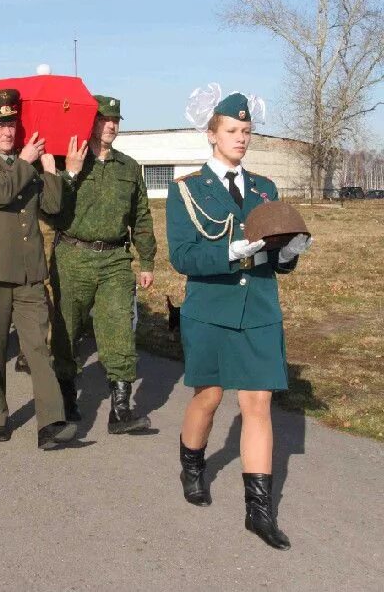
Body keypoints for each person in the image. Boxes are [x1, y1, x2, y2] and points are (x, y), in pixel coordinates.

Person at [167, 90, 312, 550]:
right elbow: (182, 256)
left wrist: (288, 255)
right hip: (210, 308)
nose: (241, 138)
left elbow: (275, 252)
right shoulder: (187, 189)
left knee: (257, 405)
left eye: (246, 131)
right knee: (208, 398)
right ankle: (193, 465)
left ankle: (259, 511)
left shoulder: (265, 189)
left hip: (260, 310)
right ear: (212, 135)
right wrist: (232, 252)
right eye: (232, 130)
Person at [0, 88, 77, 449]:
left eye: (11, 124)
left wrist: (52, 171)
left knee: (37, 349)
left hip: (29, 272)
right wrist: (28, 162)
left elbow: (54, 208)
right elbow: (1, 195)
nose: (7, 131)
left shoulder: (27, 163)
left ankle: (51, 423)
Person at [49, 95, 157, 433]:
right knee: (68, 330)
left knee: (119, 329)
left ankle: (121, 411)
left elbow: (141, 215)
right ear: (90, 122)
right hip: (72, 257)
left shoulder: (129, 167)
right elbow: (49, 207)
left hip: (114, 259)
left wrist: (147, 260)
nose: (110, 125)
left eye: (115, 120)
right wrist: (69, 173)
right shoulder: (67, 158)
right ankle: (66, 401)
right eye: (103, 119)